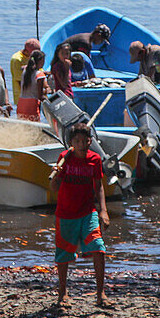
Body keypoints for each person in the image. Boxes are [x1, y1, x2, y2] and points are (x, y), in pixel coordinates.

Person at [49, 123, 111, 308]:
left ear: (90, 141)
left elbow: (98, 186)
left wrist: (103, 210)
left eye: (85, 141)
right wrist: (56, 173)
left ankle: (101, 293)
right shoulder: (64, 159)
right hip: (66, 213)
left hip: (87, 212)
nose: (82, 145)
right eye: (77, 141)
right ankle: (63, 293)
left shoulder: (95, 159)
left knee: (98, 248)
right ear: (71, 143)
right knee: (64, 254)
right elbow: (53, 187)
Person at [17, 50, 48, 122]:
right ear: (41, 61)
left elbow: (24, 67)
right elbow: (40, 96)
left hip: (21, 103)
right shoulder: (40, 75)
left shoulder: (25, 70)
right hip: (32, 105)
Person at [10, 38, 40, 108]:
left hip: (34, 95)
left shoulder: (32, 58)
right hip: (22, 96)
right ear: (26, 50)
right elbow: (20, 80)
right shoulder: (17, 59)